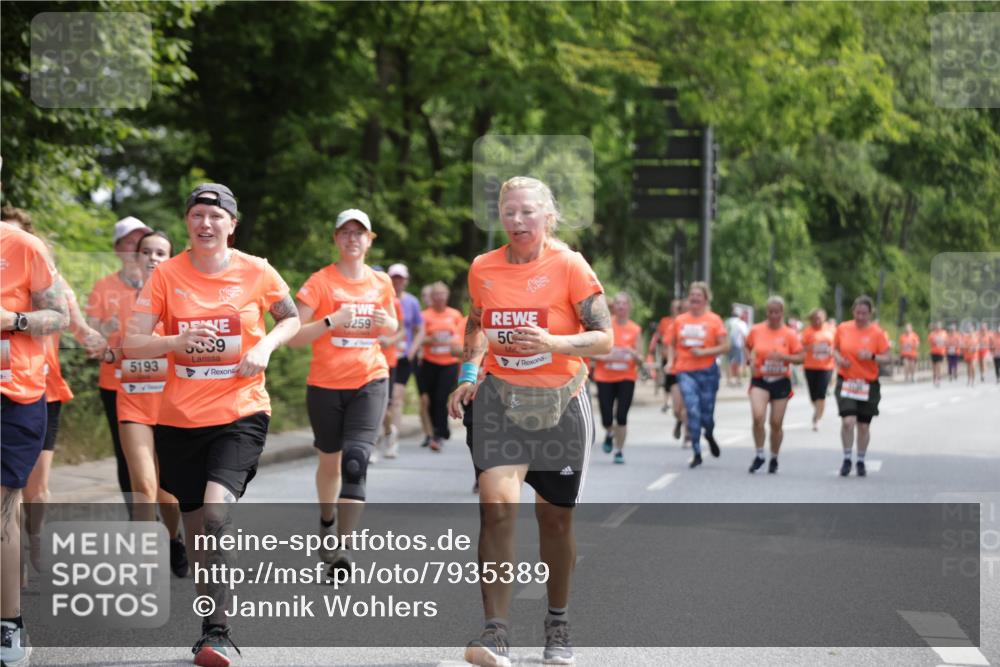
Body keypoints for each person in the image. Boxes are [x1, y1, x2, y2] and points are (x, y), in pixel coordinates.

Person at [125, 184, 300, 666]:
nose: (205, 224)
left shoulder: (256, 270)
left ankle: (218, 633)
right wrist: (176, 339)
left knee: (218, 515)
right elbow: (133, 342)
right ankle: (209, 625)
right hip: (180, 420)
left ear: (231, 224)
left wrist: (263, 346)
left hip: (240, 411)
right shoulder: (166, 276)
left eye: (215, 216)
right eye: (197, 215)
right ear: (188, 222)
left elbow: (291, 317)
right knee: (200, 532)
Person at [448, 176, 612, 667]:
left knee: (554, 519)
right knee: (496, 506)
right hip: (498, 398)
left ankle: (557, 621)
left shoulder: (569, 266)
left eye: (527, 213)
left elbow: (603, 337)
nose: (517, 222)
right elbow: (476, 322)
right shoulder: (483, 267)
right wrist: (469, 373)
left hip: (562, 401)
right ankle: (495, 631)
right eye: (509, 213)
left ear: (547, 217)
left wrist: (553, 343)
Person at [289, 208, 397, 572]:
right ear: (336, 238)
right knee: (330, 461)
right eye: (345, 233)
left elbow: (392, 326)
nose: (352, 239)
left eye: (359, 233)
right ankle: (326, 520)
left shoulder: (381, 283)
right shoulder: (320, 282)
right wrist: (331, 320)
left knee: (356, 460)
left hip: (370, 379)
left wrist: (387, 323)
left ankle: (342, 549)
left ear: (370, 240)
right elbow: (293, 337)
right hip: (324, 385)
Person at [1, 207, 104, 576]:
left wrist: (97, 341)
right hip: (9, 384)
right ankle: (13, 551)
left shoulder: (45, 277)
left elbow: (74, 324)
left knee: (36, 484)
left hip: (42, 389)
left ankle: (35, 540)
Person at [1, 218, 68, 667]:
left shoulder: (23, 246)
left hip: (12, 394)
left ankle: (9, 625)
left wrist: (15, 319)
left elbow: (58, 315)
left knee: (3, 502)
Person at [114, 231, 188, 576]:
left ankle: (173, 538)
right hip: (133, 402)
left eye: (161, 252)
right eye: (147, 252)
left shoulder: (182, 298)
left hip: (171, 404)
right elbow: (111, 347)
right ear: (137, 257)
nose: (153, 258)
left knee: (167, 491)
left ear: (170, 258)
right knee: (143, 484)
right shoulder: (119, 300)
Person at [86, 216, 153, 509]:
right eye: (129, 242)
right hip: (116, 382)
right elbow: (89, 335)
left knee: (167, 449)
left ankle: (170, 516)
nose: (136, 249)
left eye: (142, 242)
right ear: (117, 249)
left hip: (160, 381)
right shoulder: (104, 287)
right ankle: (137, 516)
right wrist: (104, 327)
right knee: (127, 453)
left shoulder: (163, 284)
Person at [667, 282, 730, 468]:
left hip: (708, 373)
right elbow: (670, 343)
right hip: (685, 371)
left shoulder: (714, 320)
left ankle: (709, 433)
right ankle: (696, 451)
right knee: (692, 410)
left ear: (705, 299)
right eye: (692, 295)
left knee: (707, 416)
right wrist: (671, 362)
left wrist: (704, 352)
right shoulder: (680, 320)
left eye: (698, 295)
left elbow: (726, 346)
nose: (694, 298)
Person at [832, 295, 891, 477]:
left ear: (870, 314)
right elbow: (834, 349)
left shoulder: (877, 333)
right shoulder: (843, 328)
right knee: (848, 422)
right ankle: (847, 458)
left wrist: (872, 356)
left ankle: (860, 460)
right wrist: (840, 359)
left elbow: (888, 358)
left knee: (863, 426)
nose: (860, 317)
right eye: (857, 313)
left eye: (864, 313)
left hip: (868, 383)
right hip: (847, 381)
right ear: (853, 312)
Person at [744, 296, 804, 474]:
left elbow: (801, 358)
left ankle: (774, 457)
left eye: (777, 312)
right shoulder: (756, 330)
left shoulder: (789, 334)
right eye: (770, 312)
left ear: (782, 313)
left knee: (776, 423)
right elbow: (746, 347)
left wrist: (784, 357)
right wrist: (750, 360)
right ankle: (759, 454)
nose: (773, 315)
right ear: (766, 313)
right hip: (760, 379)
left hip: (781, 381)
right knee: (757, 417)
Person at [593, 292, 643, 464]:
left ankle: (619, 451)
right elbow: (593, 351)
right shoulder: (605, 327)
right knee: (607, 417)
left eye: (624, 303)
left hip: (626, 377)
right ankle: (609, 432)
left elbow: (641, 358)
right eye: (618, 303)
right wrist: (605, 357)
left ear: (629, 307)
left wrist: (632, 353)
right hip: (605, 376)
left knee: (621, 416)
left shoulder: (635, 329)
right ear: (614, 307)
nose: (621, 306)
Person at [418, 282, 463, 451]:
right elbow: (417, 339)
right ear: (432, 297)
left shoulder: (455, 314)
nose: (439, 297)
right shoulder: (424, 315)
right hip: (430, 362)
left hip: (449, 363)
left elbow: (461, 338)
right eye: (436, 294)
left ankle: (440, 431)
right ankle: (436, 430)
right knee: (429, 399)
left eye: (442, 293)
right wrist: (431, 339)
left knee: (441, 397)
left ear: (447, 295)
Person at [385, 263, 423, 456]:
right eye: (394, 278)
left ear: (406, 281)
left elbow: (419, 329)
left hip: (404, 357)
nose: (397, 282)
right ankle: (386, 432)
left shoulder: (412, 302)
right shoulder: (383, 299)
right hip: (384, 355)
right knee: (385, 403)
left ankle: (394, 439)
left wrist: (413, 349)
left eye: (400, 279)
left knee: (396, 399)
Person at [801, 308, 835, 431]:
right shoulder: (807, 332)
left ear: (824, 318)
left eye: (820, 318)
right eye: (815, 319)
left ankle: (817, 418)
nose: (817, 321)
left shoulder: (831, 330)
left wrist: (832, 350)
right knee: (813, 395)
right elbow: (801, 347)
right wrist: (811, 347)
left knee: (821, 393)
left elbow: (837, 345)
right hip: (810, 366)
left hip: (826, 366)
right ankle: (818, 410)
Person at [724, 306, 749, 387]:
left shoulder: (727, 322)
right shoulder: (741, 323)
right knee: (739, 362)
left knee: (728, 362)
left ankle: (729, 380)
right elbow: (744, 335)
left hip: (727, 344)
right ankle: (738, 380)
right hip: (738, 345)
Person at [928, 321, 947, 387]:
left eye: (939, 326)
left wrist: (943, 342)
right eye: (937, 326)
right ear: (935, 327)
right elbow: (930, 342)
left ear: (941, 326)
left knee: (938, 366)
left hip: (941, 352)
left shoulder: (944, 333)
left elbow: (946, 342)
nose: (938, 327)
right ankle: (934, 378)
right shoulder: (932, 334)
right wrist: (934, 341)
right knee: (934, 367)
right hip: (933, 352)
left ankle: (938, 379)